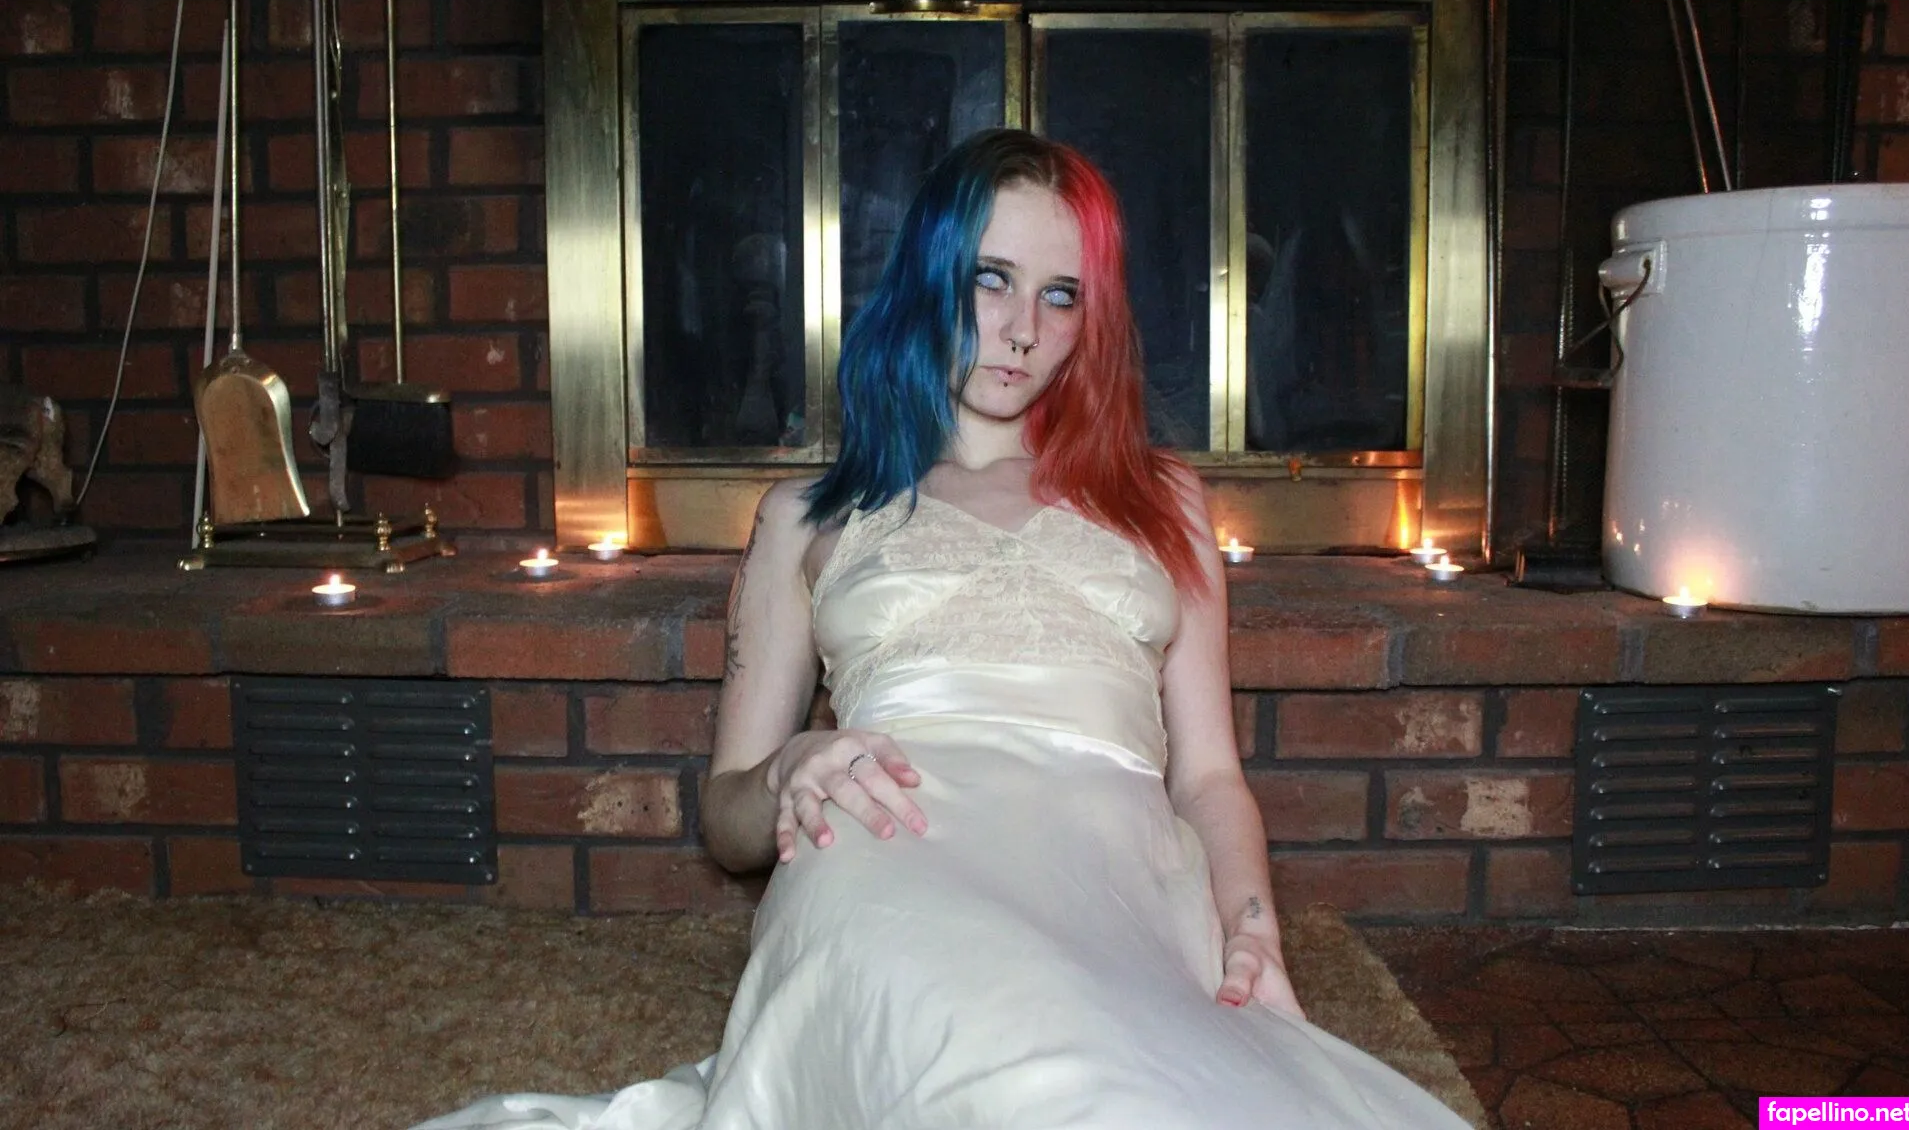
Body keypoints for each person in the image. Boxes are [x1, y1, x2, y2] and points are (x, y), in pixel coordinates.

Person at [417, 130, 1469, 1130]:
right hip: (892, 859)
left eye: (1061, 295)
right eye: (991, 278)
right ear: (929, 278)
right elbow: (727, 821)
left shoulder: (1164, 499)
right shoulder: (808, 517)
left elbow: (1206, 777)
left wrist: (1254, 932)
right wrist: (788, 766)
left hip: (1117, 880)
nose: (1022, 328)